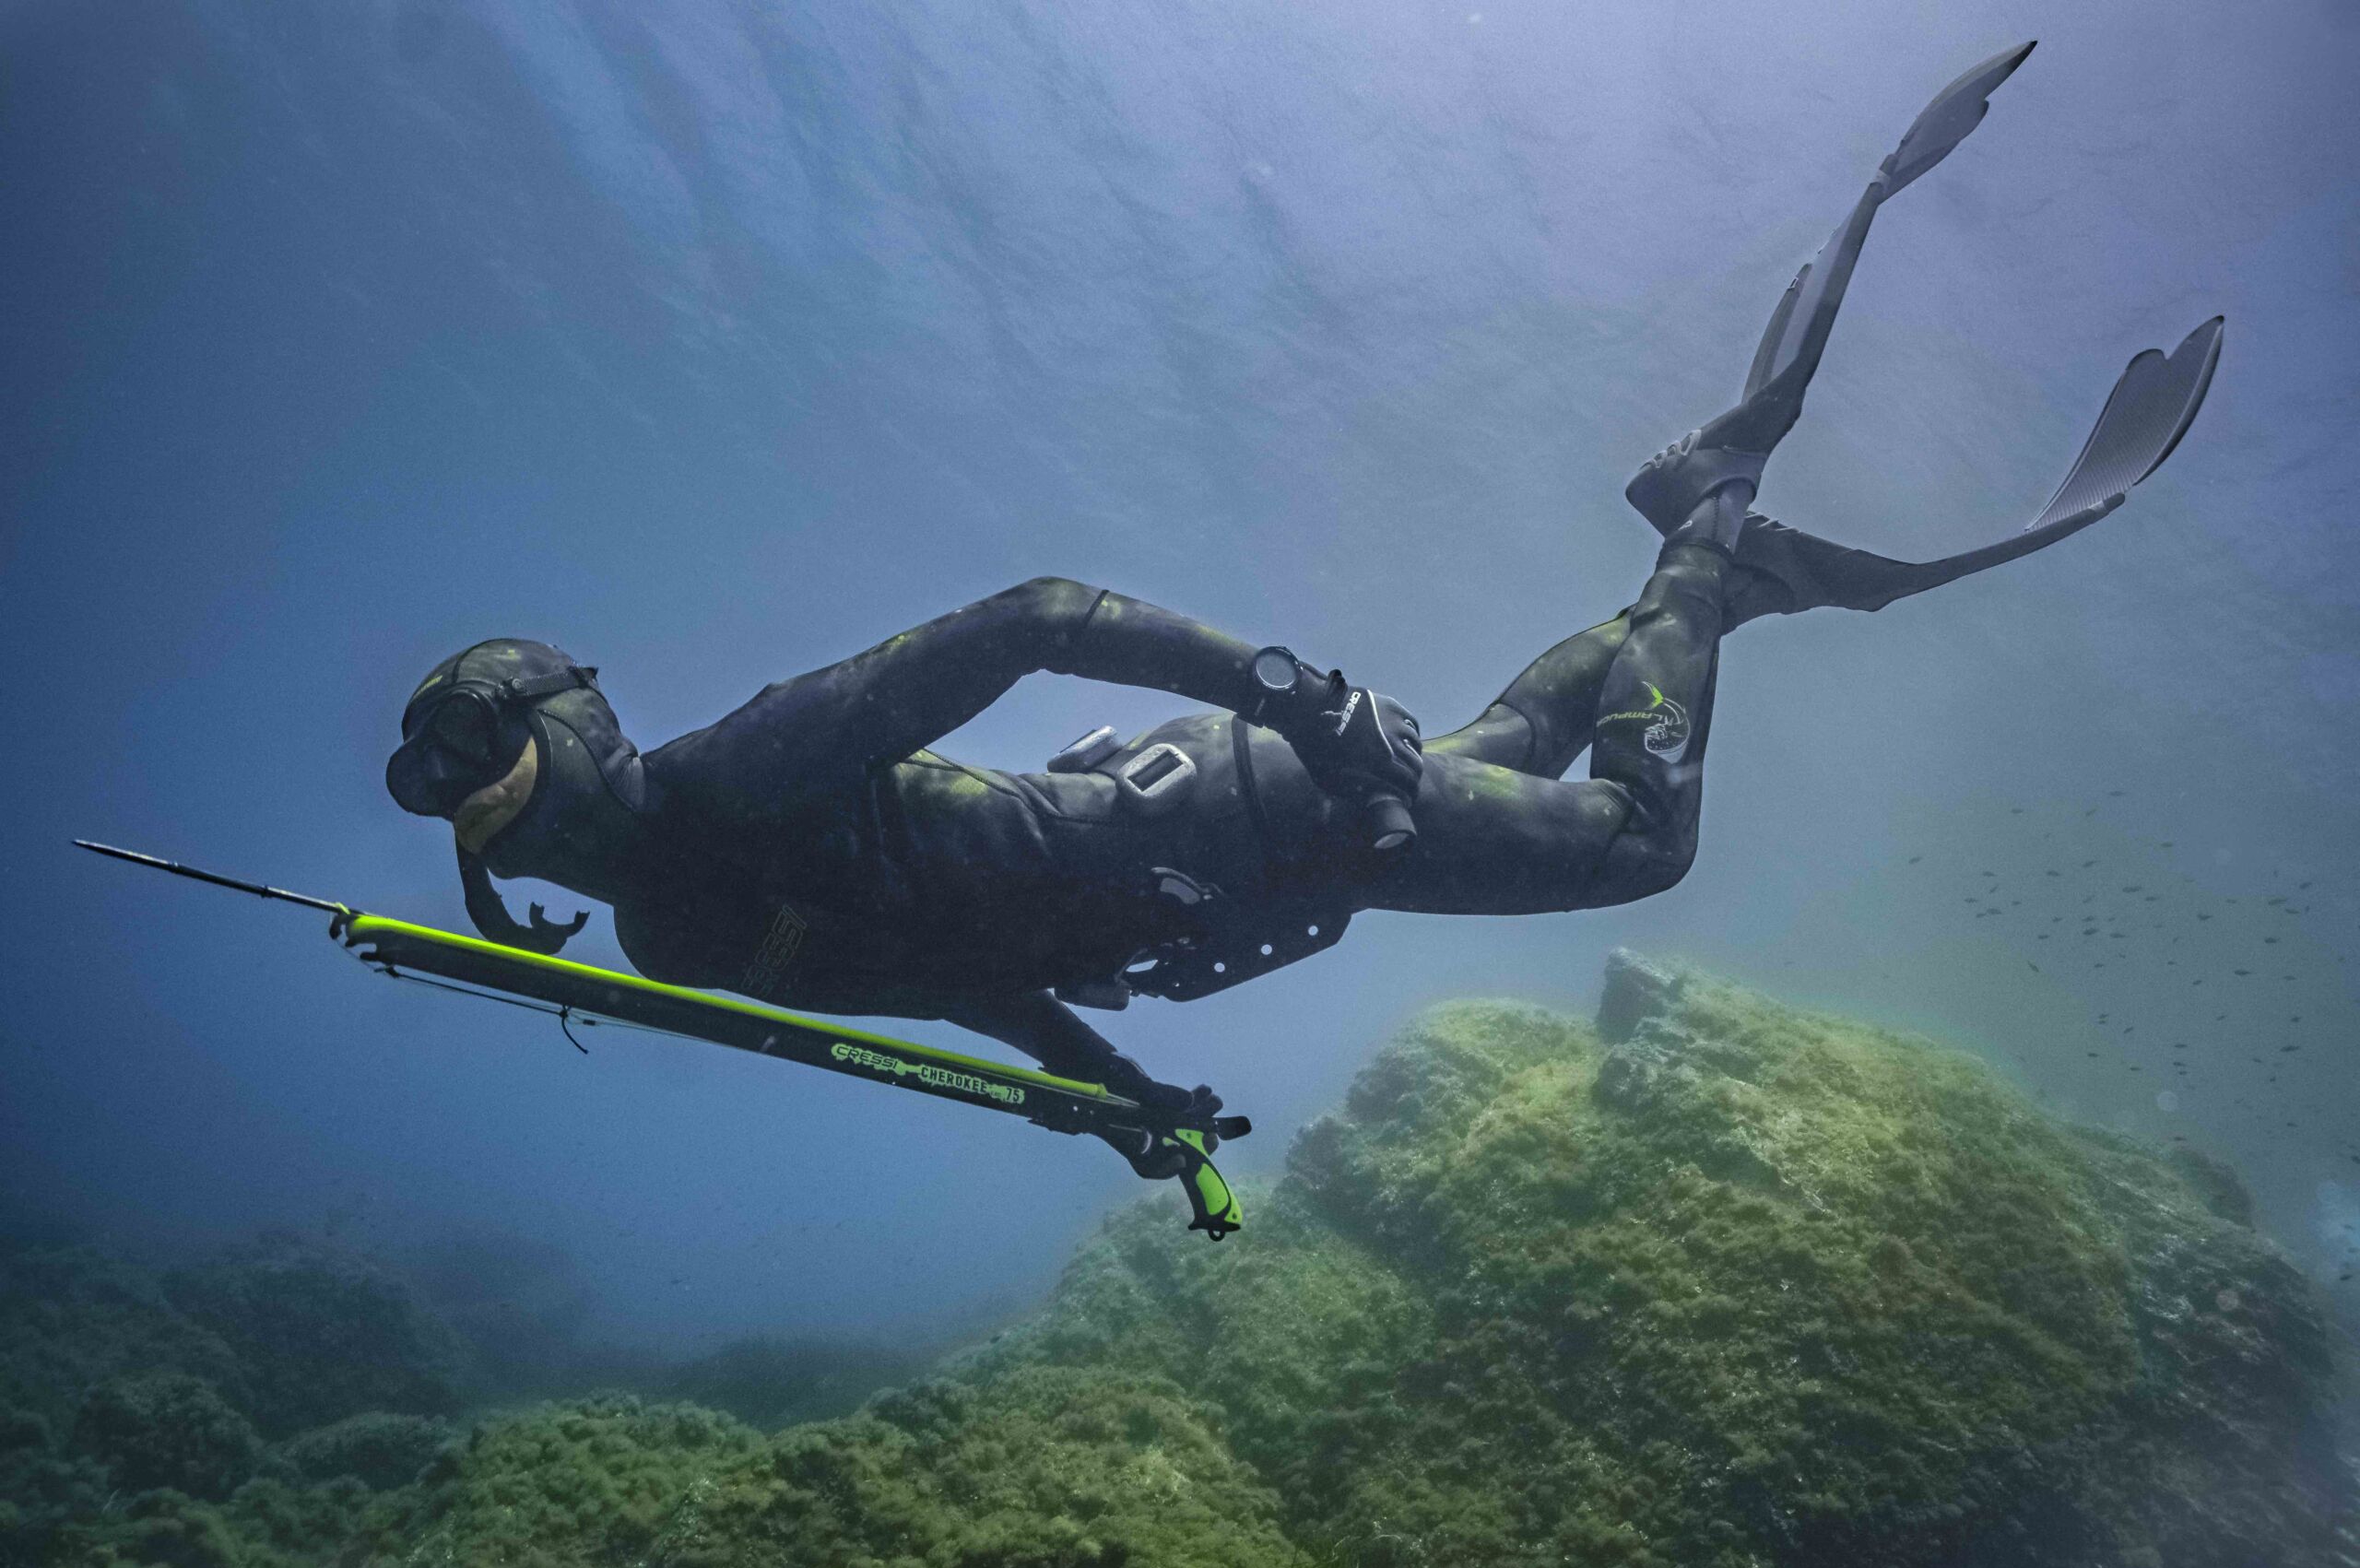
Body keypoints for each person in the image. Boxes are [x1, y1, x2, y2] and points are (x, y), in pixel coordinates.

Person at [384, 42, 2221, 1179]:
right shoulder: (669, 939)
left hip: (1249, 805)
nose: (466, 793)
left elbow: (1036, 611)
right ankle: (1696, 588)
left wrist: (1297, 696)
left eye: (477, 746)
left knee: (1638, 845)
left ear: (566, 722)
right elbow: (963, 982)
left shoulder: (736, 773)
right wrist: (1129, 1093)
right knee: (1515, 744)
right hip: (1244, 870)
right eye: (442, 783)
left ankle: (1705, 548)